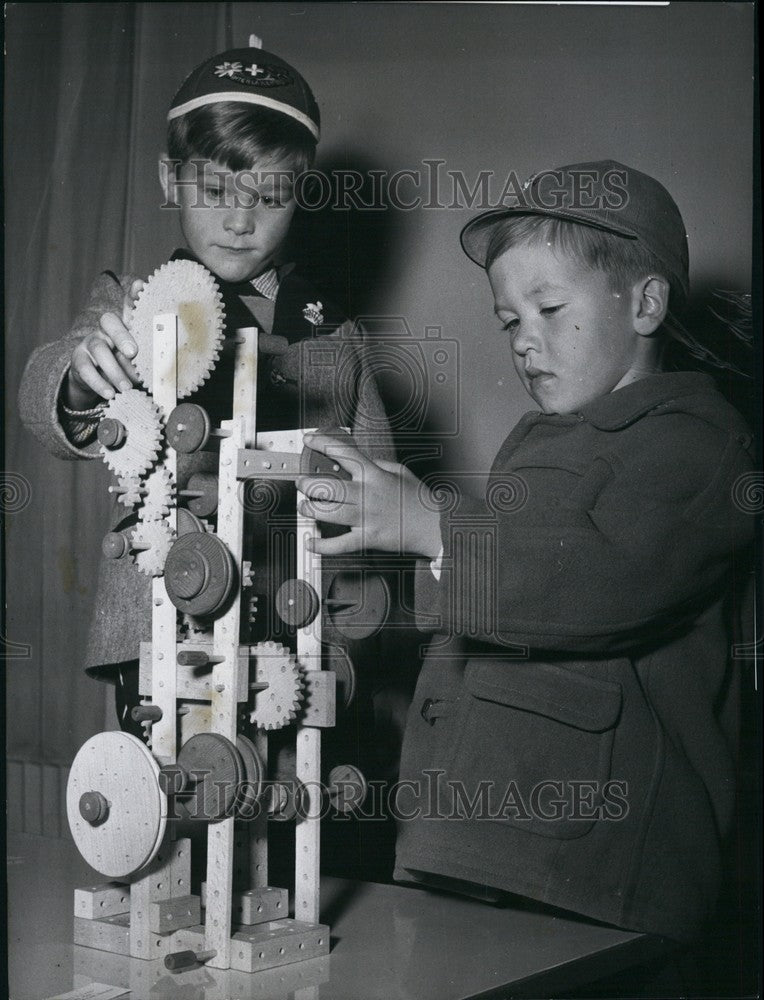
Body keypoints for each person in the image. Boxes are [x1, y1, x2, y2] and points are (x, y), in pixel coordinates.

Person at [296, 160, 756, 941]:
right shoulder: (545, 440)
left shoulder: (699, 443)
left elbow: (595, 584)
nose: (524, 341)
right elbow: (495, 614)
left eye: (548, 307)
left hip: (602, 872)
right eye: (509, 321)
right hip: (481, 846)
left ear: (645, 303)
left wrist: (430, 525)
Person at [18, 47, 394, 732]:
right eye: (215, 192)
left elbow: (380, 494)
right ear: (171, 180)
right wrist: (78, 376)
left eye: (270, 196)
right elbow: (47, 399)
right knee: (170, 805)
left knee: (287, 808)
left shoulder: (336, 331)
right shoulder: (134, 305)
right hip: (164, 612)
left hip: (293, 614)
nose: (239, 221)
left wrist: (352, 639)